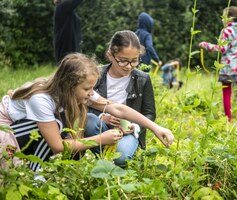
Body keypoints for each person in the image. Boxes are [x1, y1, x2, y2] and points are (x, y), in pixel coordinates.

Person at [0, 53, 174, 171]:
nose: (92, 93)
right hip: (5, 134)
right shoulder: (41, 99)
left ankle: (36, 172)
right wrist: (99, 139)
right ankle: (35, 175)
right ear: (69, 85)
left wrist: (155, 127)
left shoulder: (70, 91)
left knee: (59, 125)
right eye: (87, 89)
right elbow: (58, 146)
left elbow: (117, 107)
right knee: (58, 127)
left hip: (24, 131)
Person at [86, 30, 156, 166]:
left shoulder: (143, 79)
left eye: (135, 61)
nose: (129, 66)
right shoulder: (96, 75)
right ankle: (104, 157)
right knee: (89, 120)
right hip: (101, 127)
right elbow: (83, 103)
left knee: (120, 157)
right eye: (123, 61)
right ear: (110, 55)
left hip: (127, 132)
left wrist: (134, 126)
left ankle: (116, 156)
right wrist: (102, 117)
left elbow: (149, 113)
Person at [199, 6, 237, 121]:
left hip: (228, 67)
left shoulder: (226, 30)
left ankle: (228, 120)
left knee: (227, 92)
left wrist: (206, 45)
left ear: (229, 18)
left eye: (223, 16)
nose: (222, 19)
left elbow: (221, 49)